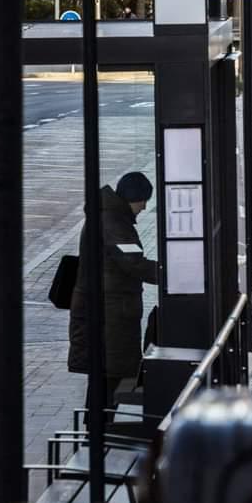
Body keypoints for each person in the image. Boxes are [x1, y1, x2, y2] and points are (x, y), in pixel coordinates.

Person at [68, 171, 158, 412]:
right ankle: (99, 436)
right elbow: (132, 262)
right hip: (109, 315)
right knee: (109, 378)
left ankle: (97, 433)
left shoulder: (111, 217)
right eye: (143, 200)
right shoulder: (113, 222)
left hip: (110, 312)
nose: (144, 207)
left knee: (106, 378)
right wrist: (169, 273)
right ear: (133, 197)